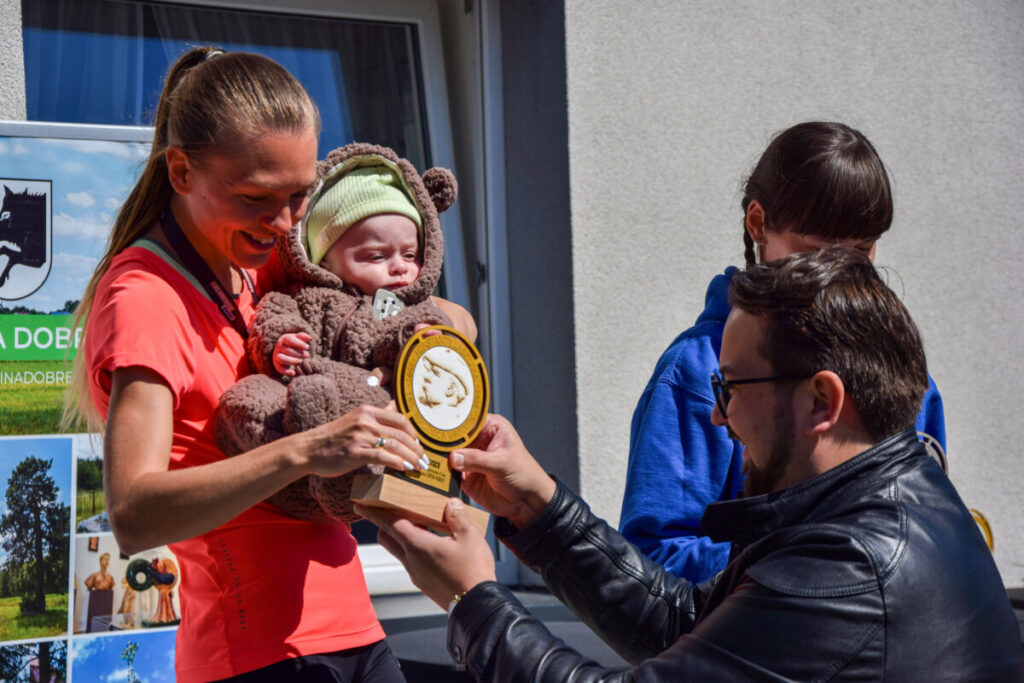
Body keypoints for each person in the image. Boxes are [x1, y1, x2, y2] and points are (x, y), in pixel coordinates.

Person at [359, 247, 1024, 680]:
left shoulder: (849, 570)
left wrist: (474, 600)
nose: (716, 415)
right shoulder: (892, 499)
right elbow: (694, 625)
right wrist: (540, 509)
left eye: (730, 387)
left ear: (822, 399)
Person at [62, 47, 470, 681]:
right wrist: (305, 449)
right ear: (180, 171)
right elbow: (134, 513)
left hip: (352, 626)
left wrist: (421, 346)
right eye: (257, 197)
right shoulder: (145, 296)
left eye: (301, 195)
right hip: (256, 655)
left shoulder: (253, 260)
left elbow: (437, 312)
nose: (283, 224)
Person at [619, 121, 947, 582]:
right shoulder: (696, 374)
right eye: (817, 250)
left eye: (861, 251)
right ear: (758, 223)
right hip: (745, 646)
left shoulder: (905, 377)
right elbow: (652, 564)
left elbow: (929, 536)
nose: (838, 272)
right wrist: (808, 566)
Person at [216, 141, 462, 523]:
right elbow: (272, 315)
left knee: (380, 412)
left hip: (368, 413)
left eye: (410, 255)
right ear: (324, 257)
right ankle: (311, 441)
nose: (399, 268)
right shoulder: (304, 296)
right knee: (246, 395)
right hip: (296, 434)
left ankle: (343, 482)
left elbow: (408, 333)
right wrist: (280, 343)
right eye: (377, 256)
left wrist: (419, 339)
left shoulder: (407, 307)